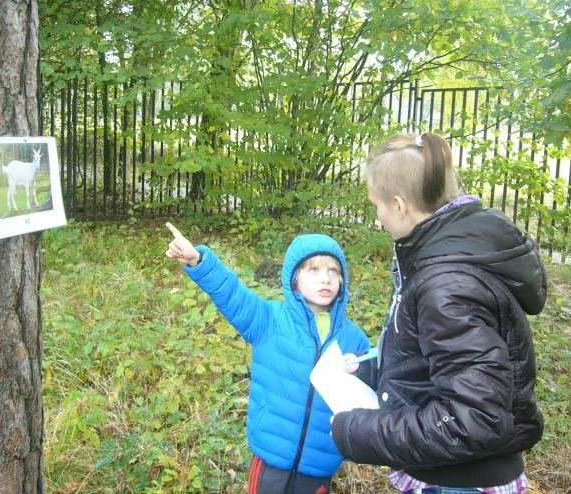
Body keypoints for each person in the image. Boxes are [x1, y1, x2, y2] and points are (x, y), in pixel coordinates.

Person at [331, 132, 547, 494]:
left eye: (377, 205)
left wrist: (360, 430)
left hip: (458, 482)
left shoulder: (446, 283)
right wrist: (375, 371)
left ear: (399, 205)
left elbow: (475, 419)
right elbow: (445, 361)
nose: (379, 216)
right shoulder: (443, 257)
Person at [166, 222, 370, 494]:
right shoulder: (270, 320)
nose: (326, 278)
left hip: (320, 467)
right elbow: (231, 294)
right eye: (314, 269)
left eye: (334, 271)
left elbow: (373, 389)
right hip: (270, 463)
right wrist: (197, 260)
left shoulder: (353, 339)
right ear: (294, 277)